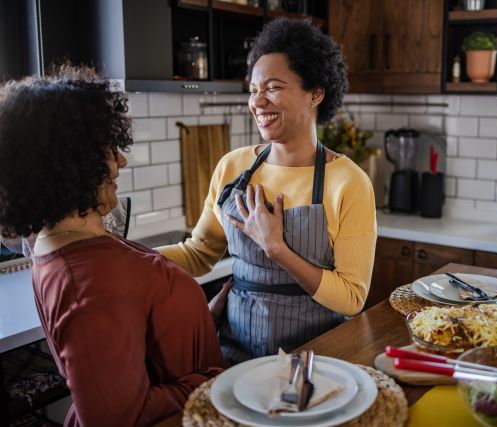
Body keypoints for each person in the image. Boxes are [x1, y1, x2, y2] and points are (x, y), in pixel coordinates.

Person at [0, 66, 225, 427]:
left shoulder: (69, 244)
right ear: (71, 163)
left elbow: (139, 333)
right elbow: (117, 417)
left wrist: (199, 319)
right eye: (109, 148)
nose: (120, 161)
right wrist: (219, 383)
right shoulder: (86, 281)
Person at [159, 17, 377, 366]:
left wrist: (277, 248)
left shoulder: (348, 182)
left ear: (316, 94)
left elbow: (352, 298)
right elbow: (198, 254)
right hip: (234, 356)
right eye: (253, 90)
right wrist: (123, 254)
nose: (258, 102)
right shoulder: (233, 168)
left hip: (316, 360)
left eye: (273, 87)